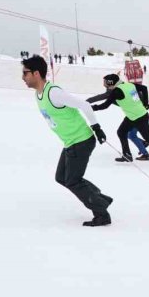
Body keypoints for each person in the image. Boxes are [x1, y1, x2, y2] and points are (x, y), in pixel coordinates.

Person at [22, 55, 112, 227]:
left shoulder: (53, 92)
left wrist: (97, 127)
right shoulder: (38, 94)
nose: (23, 78)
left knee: (73, 180)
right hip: (70, 142)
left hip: (81, 140)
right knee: (61, 177)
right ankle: (100, 198)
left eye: (25, 73)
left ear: (36, 73)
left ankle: (101, 213)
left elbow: (84, 105)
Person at [87, 74, 149, 168]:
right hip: (134, 116)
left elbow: (104, 106)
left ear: (110, 82)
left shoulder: (116, 91)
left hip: (139, 117)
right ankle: (127, 155)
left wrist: (90, 107)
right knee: (121, 132)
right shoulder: (129, 85)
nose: (104, 84)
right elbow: (144, 88)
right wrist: (145, 103)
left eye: (105, 82)